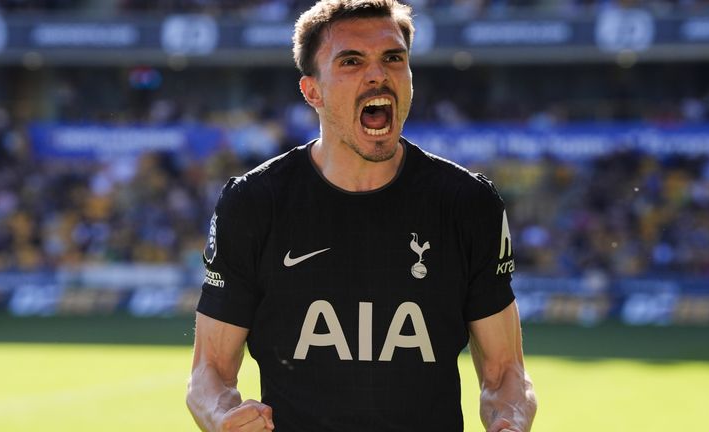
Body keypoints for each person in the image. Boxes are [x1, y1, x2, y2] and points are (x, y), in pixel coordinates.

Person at [186, 1, 537, 431]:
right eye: (351, 61)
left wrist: (510, 419)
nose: (378, 74)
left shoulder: (468, 203)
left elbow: (504, 373)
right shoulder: (254, 204)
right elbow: (209, 372)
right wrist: (223, 416)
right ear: (311, 91)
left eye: (393, 58)